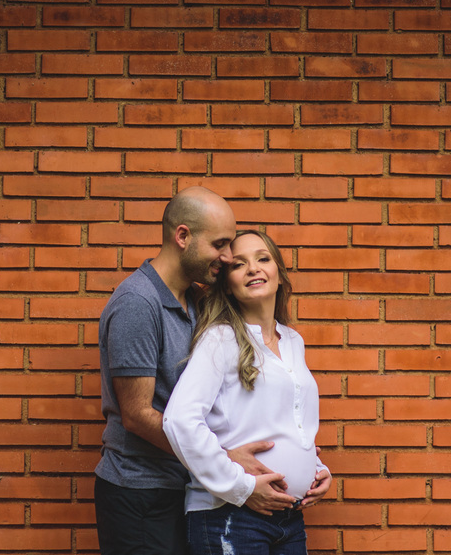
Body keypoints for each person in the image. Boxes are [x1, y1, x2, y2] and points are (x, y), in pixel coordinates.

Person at [95, 186, 271, 555]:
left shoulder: (196, 300)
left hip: (186, 485)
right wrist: (222, 457)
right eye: (219, 244)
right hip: (140, 493)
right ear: (182, 236)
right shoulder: (137, 303)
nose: (227, 257)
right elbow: (137, 416)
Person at [162, 230, 332, 555]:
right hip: (230, 516)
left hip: (289, 518)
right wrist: (240, 487)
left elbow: (287, 423)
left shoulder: (292, 341)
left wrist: (315, 468)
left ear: (279, 273)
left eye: (263, 259)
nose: (253, 268)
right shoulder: (220, 339)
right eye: (239, 264)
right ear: (228, 285)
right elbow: (179, 420)